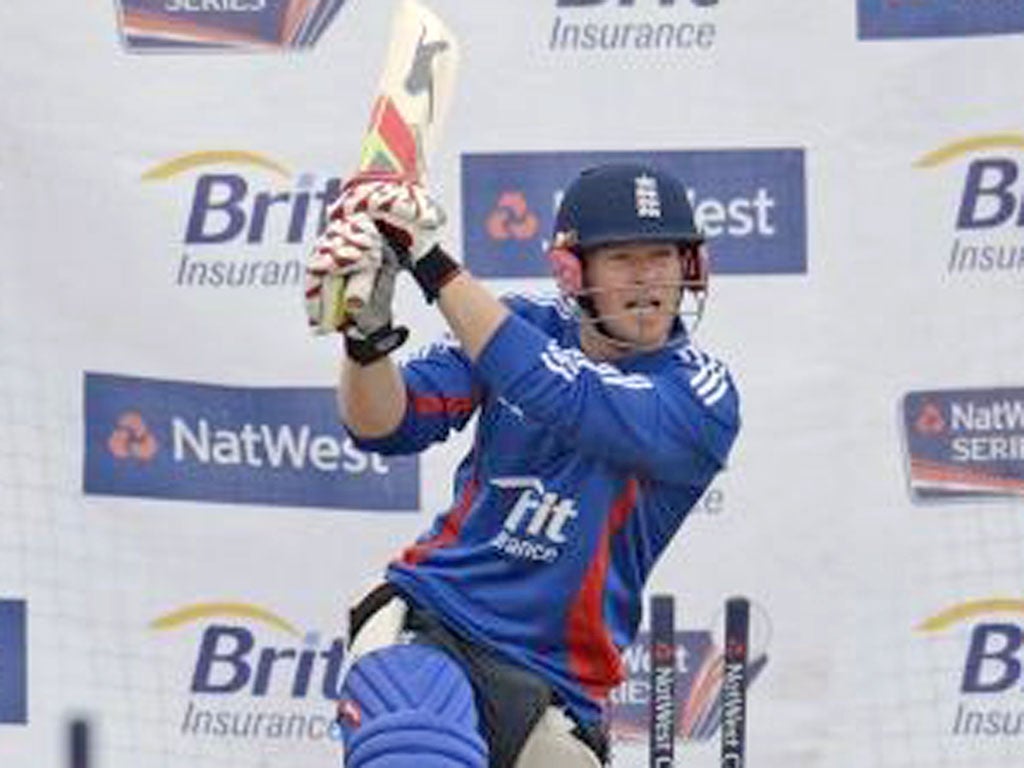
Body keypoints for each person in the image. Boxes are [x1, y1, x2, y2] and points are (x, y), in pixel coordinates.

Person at [304, 162, 740, 768]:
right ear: (570, 270)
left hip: (560, 681)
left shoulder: (703, 398)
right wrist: (365, 340)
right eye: (622, 259)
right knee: (413, 751)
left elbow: (564, 394)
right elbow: (385, 426)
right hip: (437, 622)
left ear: (690, 266)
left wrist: (428, 259)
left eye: (662, 256)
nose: (647, 280)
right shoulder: (522, 325)